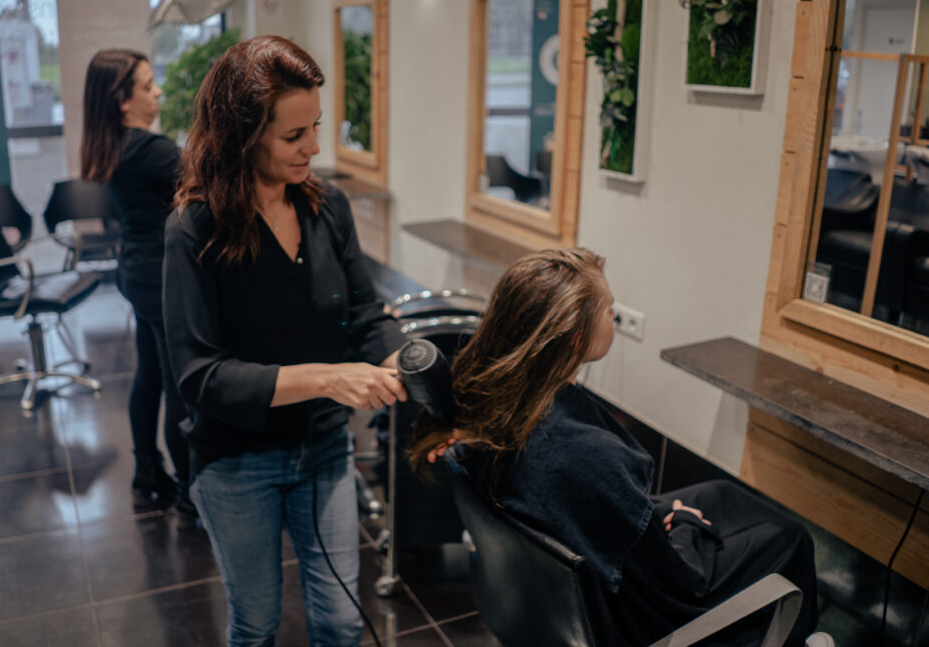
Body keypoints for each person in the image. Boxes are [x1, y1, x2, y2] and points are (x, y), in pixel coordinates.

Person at [409, 249, 827, 647]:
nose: (614, 315)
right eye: (609, 310)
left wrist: (667, 516)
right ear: (575, 338)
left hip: (565, 579)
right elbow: (680, 583)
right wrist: (683, 526)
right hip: (639, 616)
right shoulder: (585, 455)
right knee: (789, 536)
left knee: (721, 494)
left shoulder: (488, 410)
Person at [163, 35, 407, 646]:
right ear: (243, 135)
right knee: (257, 624)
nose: (314, 148)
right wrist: (328, 377)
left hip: (324, 448)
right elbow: (200, 376)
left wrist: (402, 359)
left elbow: (364, 314)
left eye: (316, 128)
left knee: (343, 620)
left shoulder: (328, 209)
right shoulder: (195, 231)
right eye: (294, 136)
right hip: (235, 463)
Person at [80, 48, 192, 517]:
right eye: (147, 85)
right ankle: (190, 494)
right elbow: (219, 182)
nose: (158, 90)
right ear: (122, 101)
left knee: (149, 376)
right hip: (160, 279)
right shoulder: (152, 150)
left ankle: (147, 471)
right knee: (180, 388)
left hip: (136, 273)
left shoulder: (114, 145)